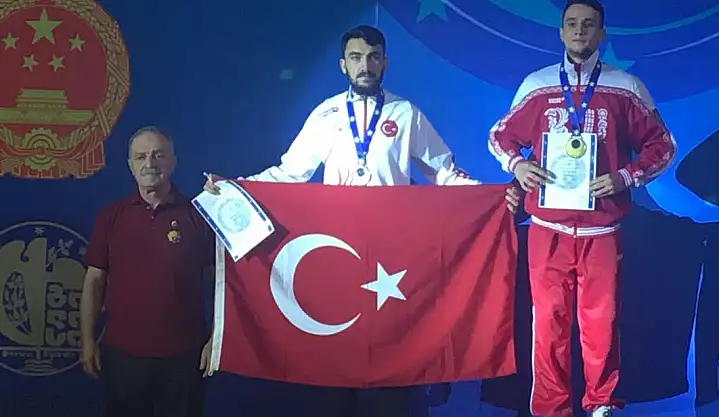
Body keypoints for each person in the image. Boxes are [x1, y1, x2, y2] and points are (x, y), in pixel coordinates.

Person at [204, 25, 521, 417]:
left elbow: (444, 173)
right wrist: (236, 186)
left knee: (391, 380)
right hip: (340, 256)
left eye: (373, 57)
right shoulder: (326, 114)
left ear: (385, 62)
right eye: (356, 58)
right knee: (333, 376)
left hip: (392, 259)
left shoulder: (405, 114)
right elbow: (289, 173)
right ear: (343, 65)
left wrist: (491, 197)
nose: (365, 66)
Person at [486, 1, 676, 416]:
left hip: (601, 229)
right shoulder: (537, 85)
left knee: (601, 323)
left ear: (601, 34)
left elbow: (663, 145)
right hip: (547, 227)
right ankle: (550, 408)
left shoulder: (625, 86)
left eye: (588, 25)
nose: (579, 31)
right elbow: (500, 136)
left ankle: (602, 403)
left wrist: (626, 176)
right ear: (560, 32)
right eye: (571, 24)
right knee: (547, 324)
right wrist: (518, 166)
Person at [80, 126, 215, 417]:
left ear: (173, 162)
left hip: (185, 358)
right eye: (140, 157)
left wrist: (216, 339)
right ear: (130, 164)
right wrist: (88, 340)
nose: (149, 163)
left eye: (158, 155)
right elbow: (94, 281)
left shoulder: (199, 215)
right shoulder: (111, 216)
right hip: (123, 356)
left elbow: (221, 285)